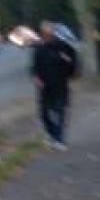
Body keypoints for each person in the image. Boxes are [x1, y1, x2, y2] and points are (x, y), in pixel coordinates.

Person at [31, 21, 78, 151]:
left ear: (54, 33)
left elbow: (73, 65)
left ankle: (59, 139)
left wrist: (68, 63)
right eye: (45, 33)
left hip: (60, 84)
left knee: (59, 111)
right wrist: (36, 78)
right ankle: (51, 134)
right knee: (44, 113)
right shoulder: (40, 49)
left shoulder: (64, 47)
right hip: (44, 86)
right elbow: (34, 66)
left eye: (50, 33)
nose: (47, 35)